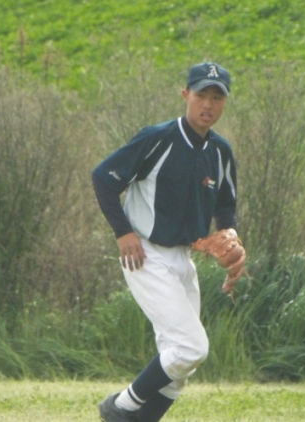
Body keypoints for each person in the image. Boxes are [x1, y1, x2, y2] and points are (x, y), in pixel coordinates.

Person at [91, 62, 238, 422]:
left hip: (183, 260)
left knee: (180, 364)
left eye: (217, 97)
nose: (208, 104)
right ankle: (120, 407)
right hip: (145, 255)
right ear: (185, 95)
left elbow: (226, 205)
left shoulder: (220, 151)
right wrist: (123, 232)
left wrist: (230, 236)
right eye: (201, 94)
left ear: (224, 102)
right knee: (191, 348)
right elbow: (103, 178)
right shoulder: (157, 138)